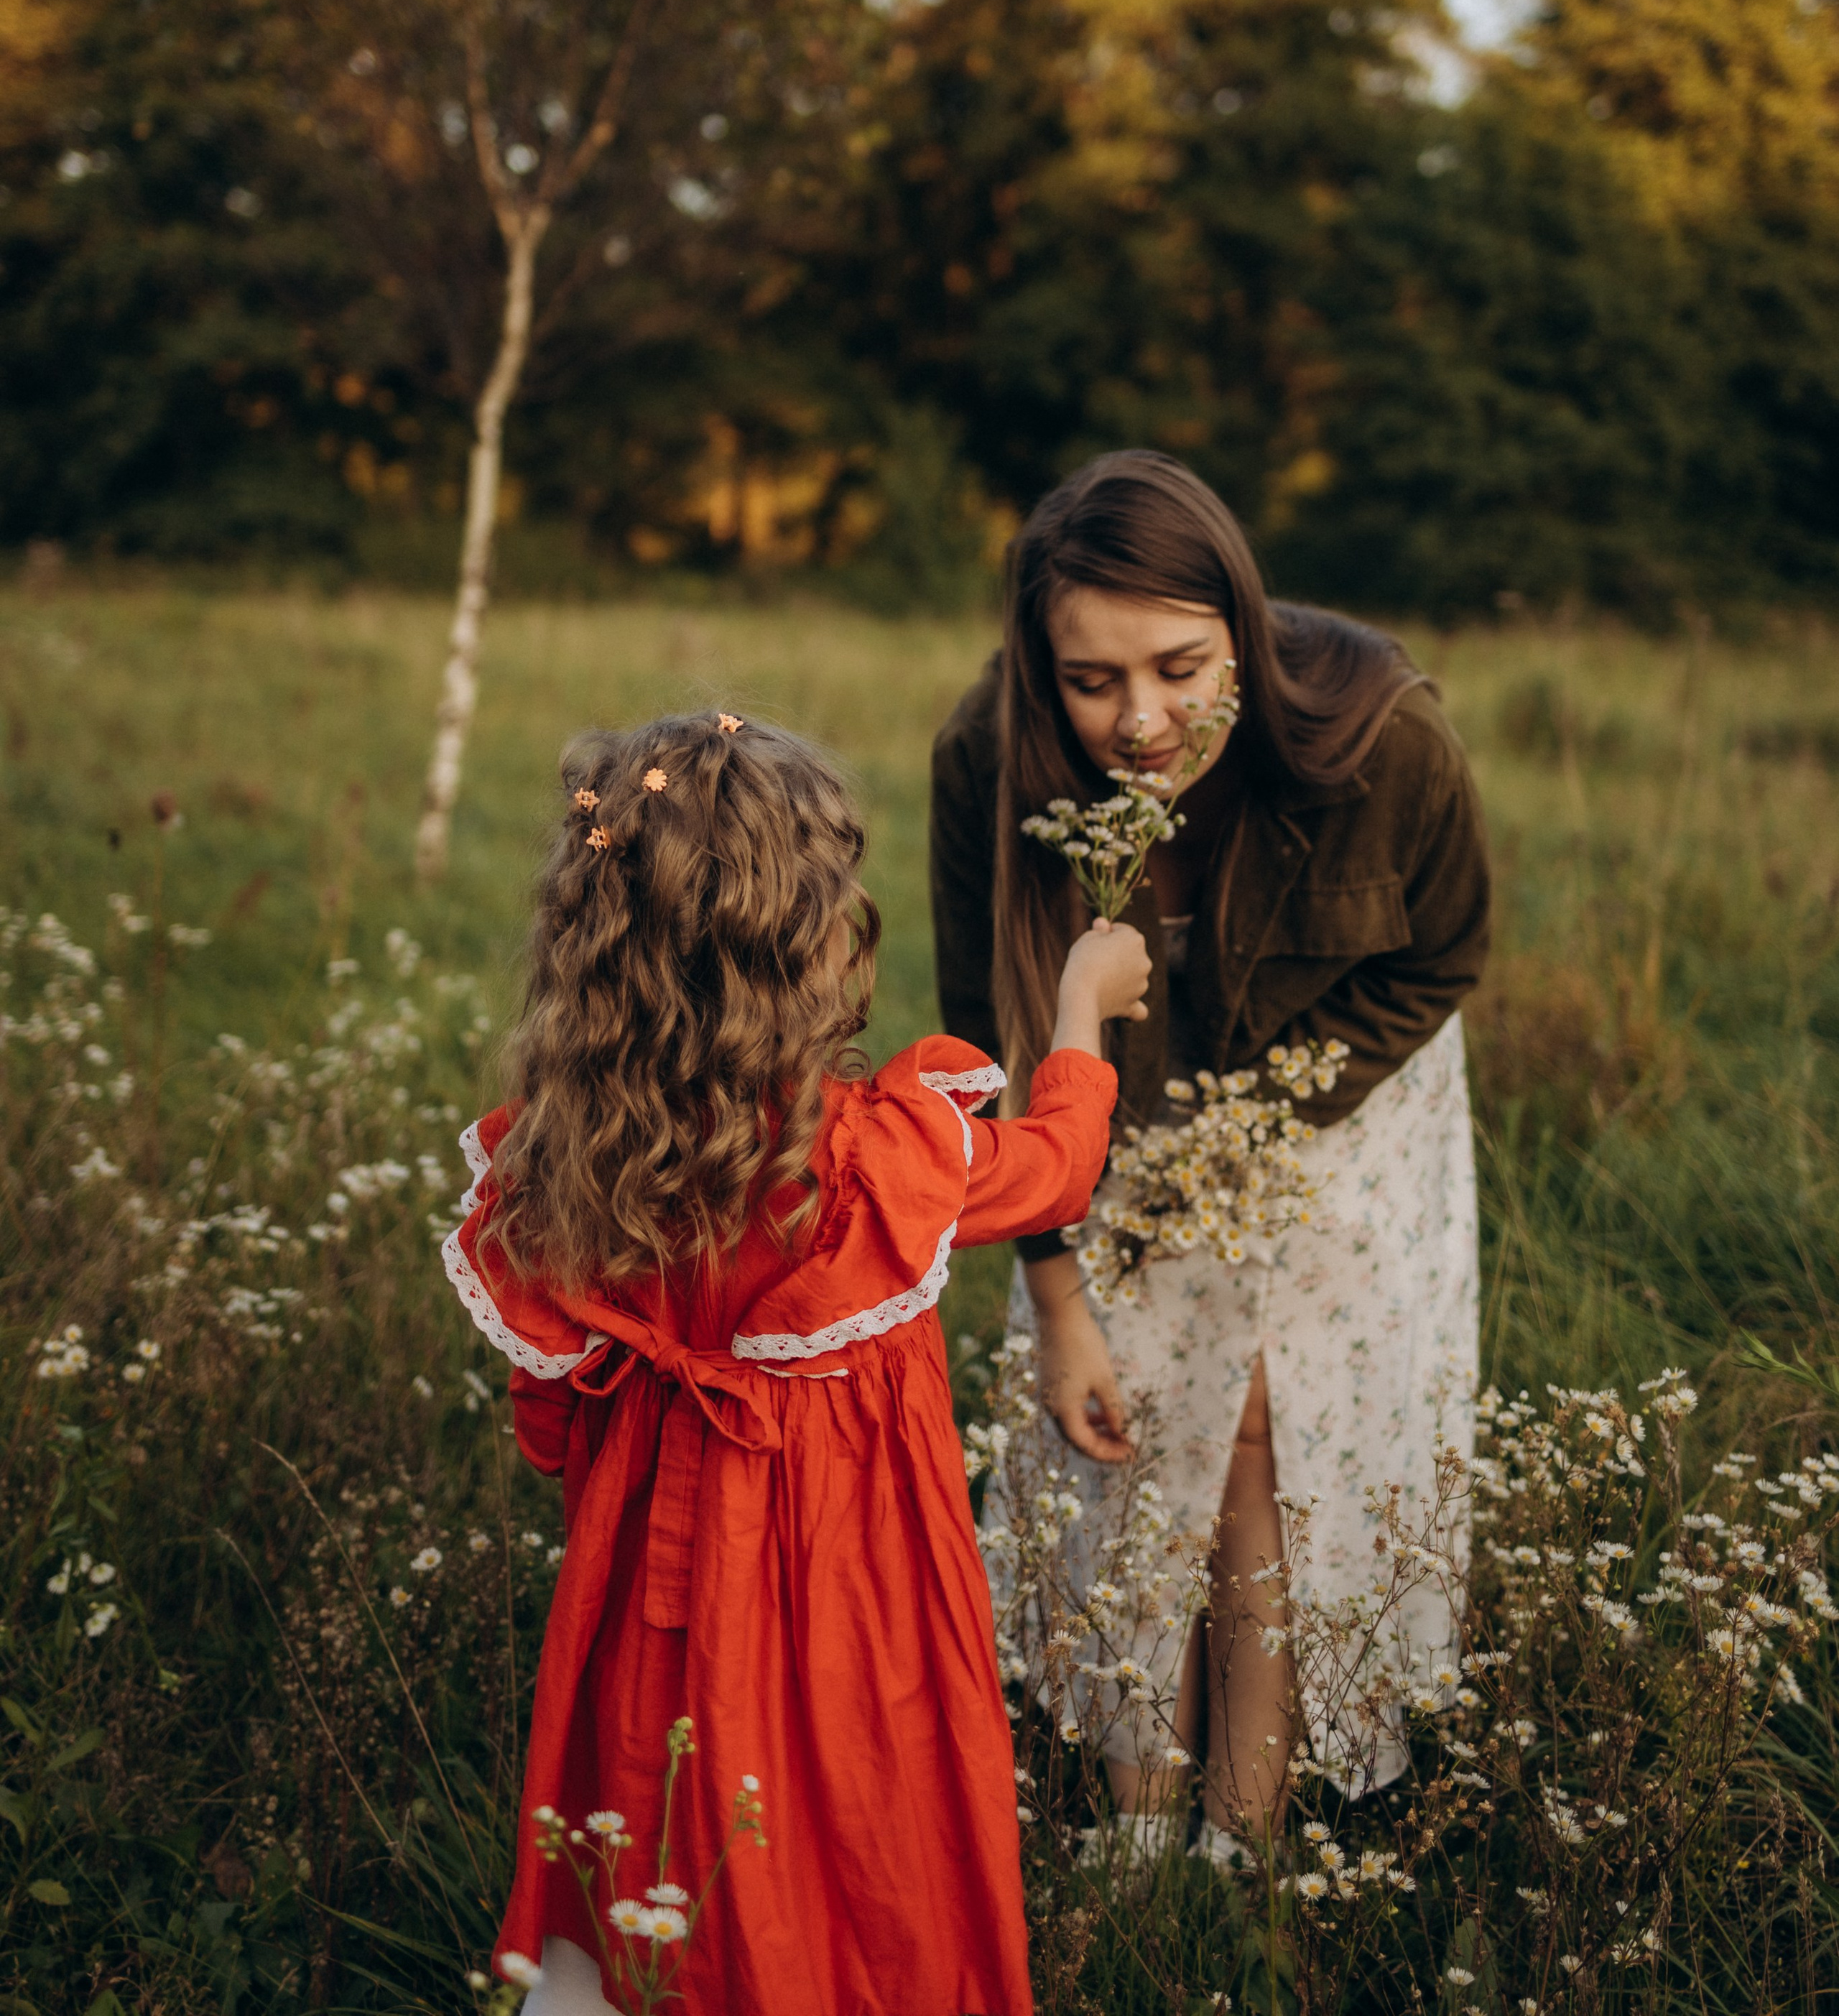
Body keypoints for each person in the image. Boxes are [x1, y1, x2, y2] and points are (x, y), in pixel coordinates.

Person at [443, 710, 1151, 2016]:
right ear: (813, 943)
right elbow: (1057, 1163)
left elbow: (545, 1410)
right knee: (855, 1803)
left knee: (656, 1810)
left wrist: (609, 1482)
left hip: (645, 1586)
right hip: (853, 1584)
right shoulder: (872, 1161)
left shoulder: (565, 1161)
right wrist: (1078, 1012)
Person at [930, 451, 1490, 1856]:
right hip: (1091, 1117)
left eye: (1180, 668)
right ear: (1034, 664)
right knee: (1129, 1425)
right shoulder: (986, 763)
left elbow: (1443, 955)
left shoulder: (1387, 737)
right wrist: (1055, 1305)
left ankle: (1237, 1834)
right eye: (1089, 679)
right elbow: (983, 1048)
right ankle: (1136, 1825)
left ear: (1241, 626)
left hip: (1338, 1106)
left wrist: (1255, 1127)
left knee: (1260, 1428)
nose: (1139, 720)